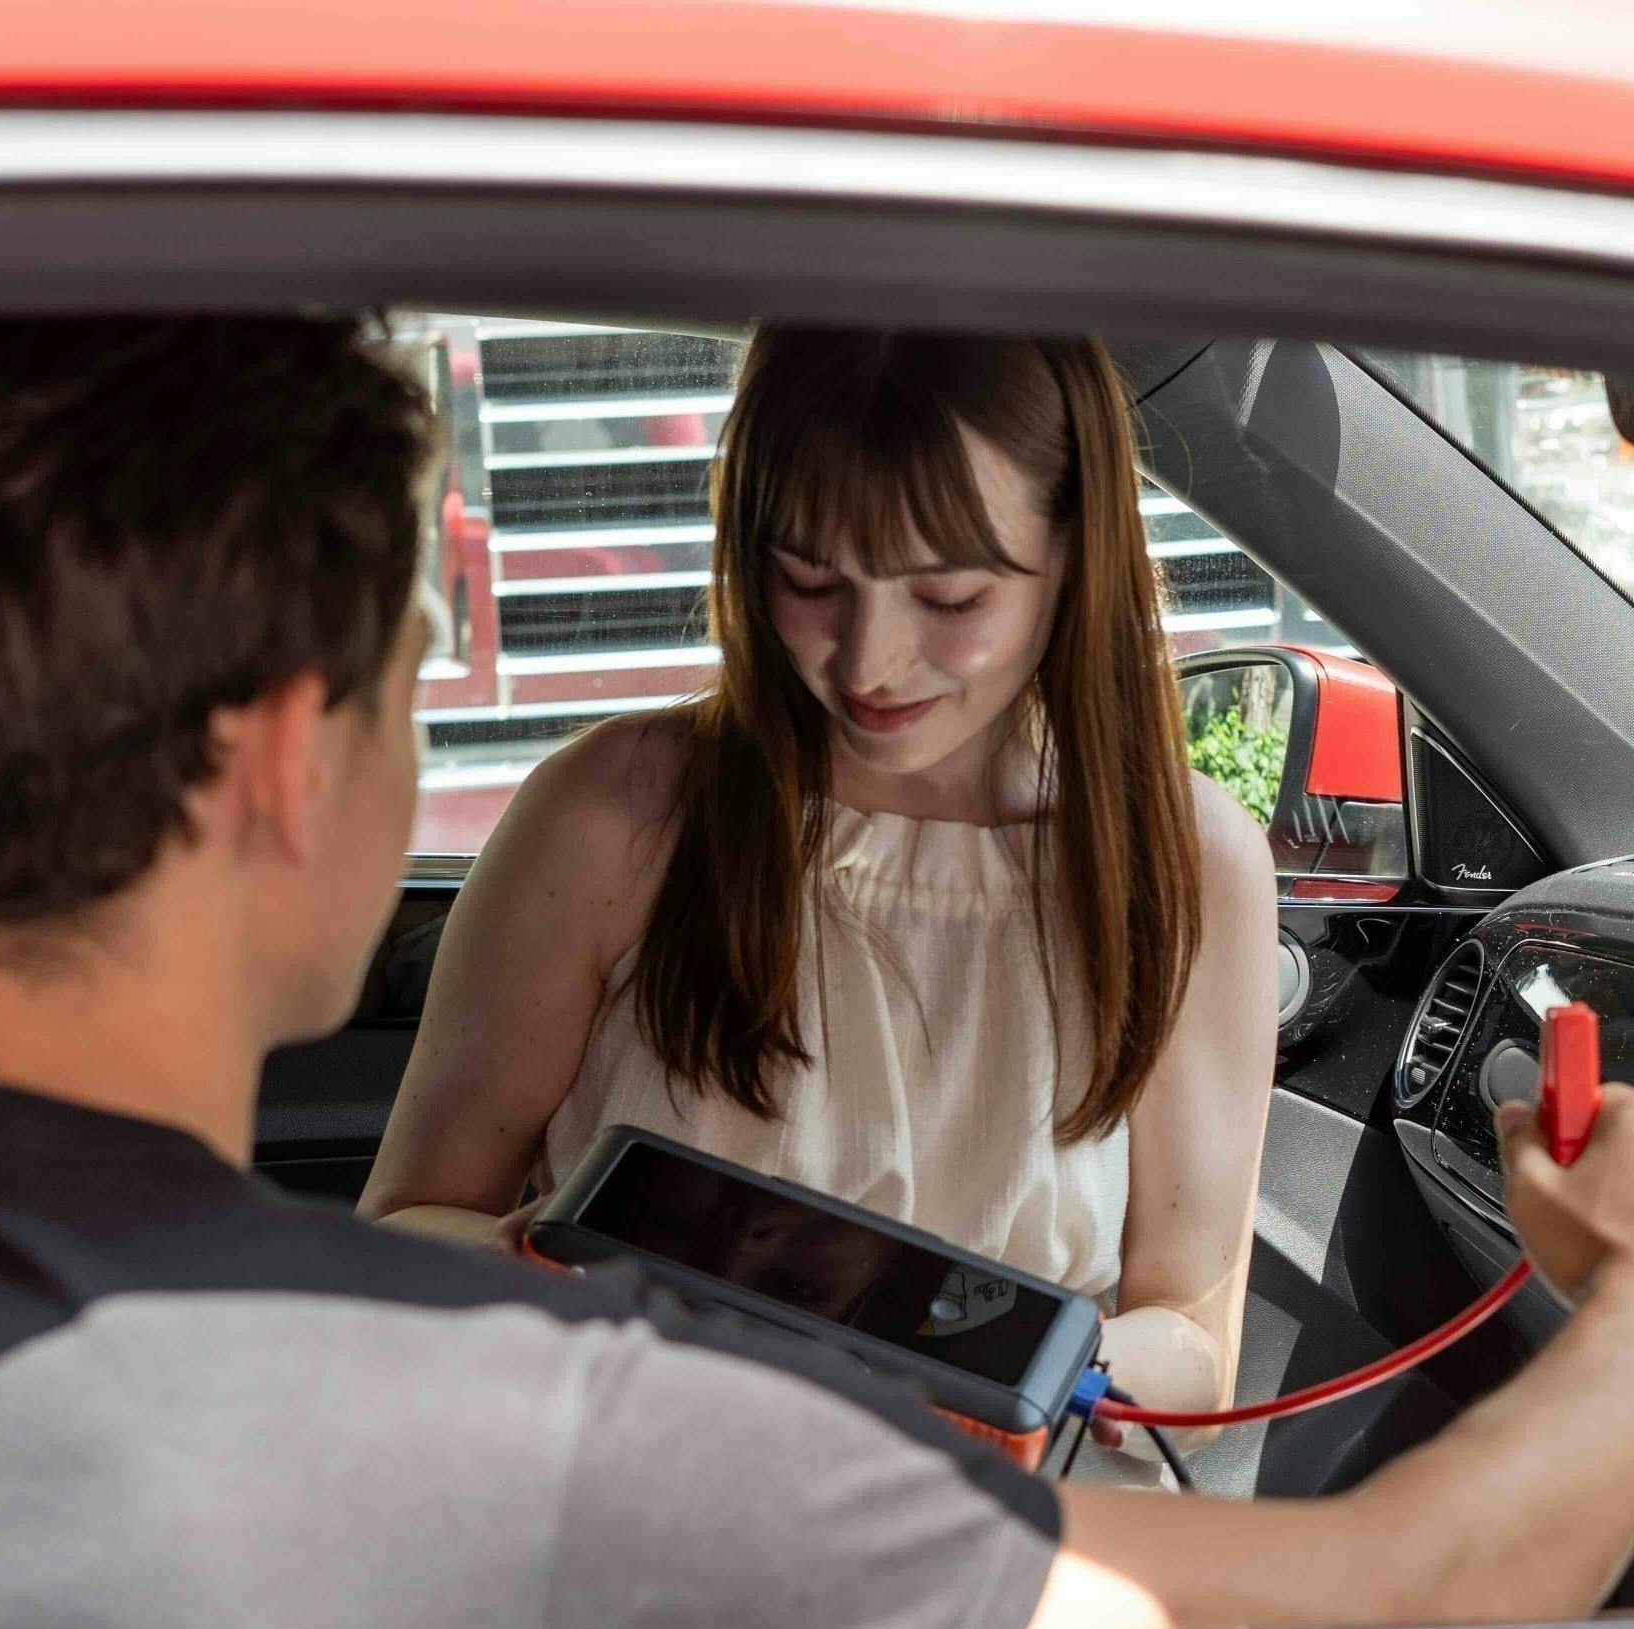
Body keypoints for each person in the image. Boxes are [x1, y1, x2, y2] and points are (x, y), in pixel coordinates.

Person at [0, 315, 1634, 1629]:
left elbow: (1185, 1324)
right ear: (276, 761)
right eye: (411, 683)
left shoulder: (297, 1366)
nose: (869, 654)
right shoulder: (610, 1435)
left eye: (951, 591)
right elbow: (1405, 1593)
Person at [361, 331, 1263, 1447]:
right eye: (812, 580)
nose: (868, 662)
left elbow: (1196, 1345)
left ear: (1076, 555)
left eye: (950, 596)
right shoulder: (614, 815)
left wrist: (1032, 1372)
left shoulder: (1187, 863)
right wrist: (528, 1270)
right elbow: (400, 1226)